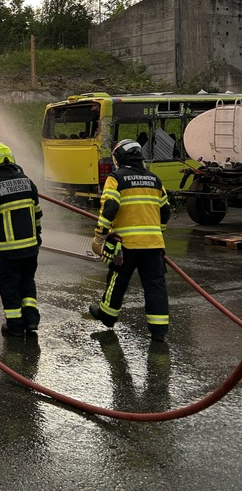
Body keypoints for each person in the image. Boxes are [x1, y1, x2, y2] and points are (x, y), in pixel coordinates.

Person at [89, 137, 171, 342]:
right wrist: (157, 232)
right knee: (155, 286)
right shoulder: (155, 180)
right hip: (153, 245)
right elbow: (166, 210)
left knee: (117, 281)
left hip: (127, 244)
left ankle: (107, 316)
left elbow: (110, 207)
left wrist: (100, 235)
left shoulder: (116, 178)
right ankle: (159, 330)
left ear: (120, 157)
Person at [0, 142, 42, 336]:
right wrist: (37, 235)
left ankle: (14, 326)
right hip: (30, 248)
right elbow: (37, 214)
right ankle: (31, 321)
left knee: (10, 286)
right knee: (27, 282)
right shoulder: (28, 182)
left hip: (9, 249)